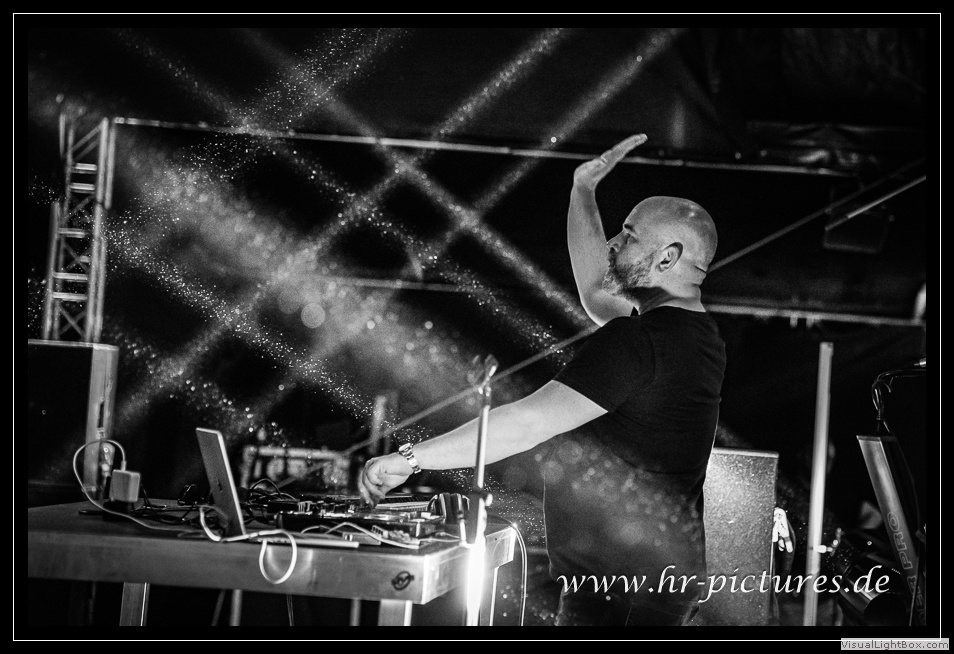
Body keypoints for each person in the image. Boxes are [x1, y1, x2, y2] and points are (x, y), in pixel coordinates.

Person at [358, 134, 725, 627]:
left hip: (619, 593)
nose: (613, 243)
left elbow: (526, 423)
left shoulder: (638, 341)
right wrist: (582, 189)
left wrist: (410, 458)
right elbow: (596, 292)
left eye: (629, 235)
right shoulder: (695, 335)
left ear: (667, 258)